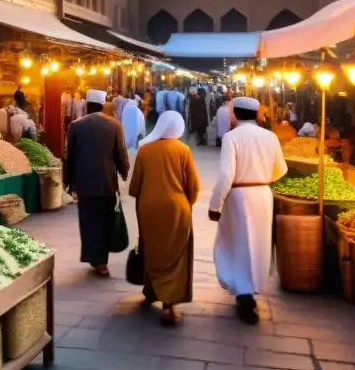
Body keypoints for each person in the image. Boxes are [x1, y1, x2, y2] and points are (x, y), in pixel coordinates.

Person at [208, 97, 287, 325]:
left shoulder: (231, 137)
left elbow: (225, 175)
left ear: (236, 114)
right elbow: (280, 170)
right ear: (255, 114)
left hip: (239, 197)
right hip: (263, 195)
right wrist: (261, 178)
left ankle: (243, 292)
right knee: (259, 243)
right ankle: (252, 288)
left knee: (238, 242)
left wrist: (216, 205)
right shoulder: (270, 136)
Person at [130, 111, 200, 325]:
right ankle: (169, 305)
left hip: (148, 207)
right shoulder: (183, 150)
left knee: (151, 248)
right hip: (176, 208)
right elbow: (194, 186)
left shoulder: (145, 150)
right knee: (176, 254)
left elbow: (134, 187)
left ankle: (151, 290)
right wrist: (187, 203)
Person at [65, 89, 130, 276]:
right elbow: (121, 154)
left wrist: (68, 182)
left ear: (86, 105)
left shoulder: (76, 126)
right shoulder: (114, 125)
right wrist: (125, 174)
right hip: (107, 182)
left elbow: (70, 156)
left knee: (88, 220)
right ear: (103, 105)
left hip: (84, 183)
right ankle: (101, 261)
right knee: (105, 219)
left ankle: (95, 258)